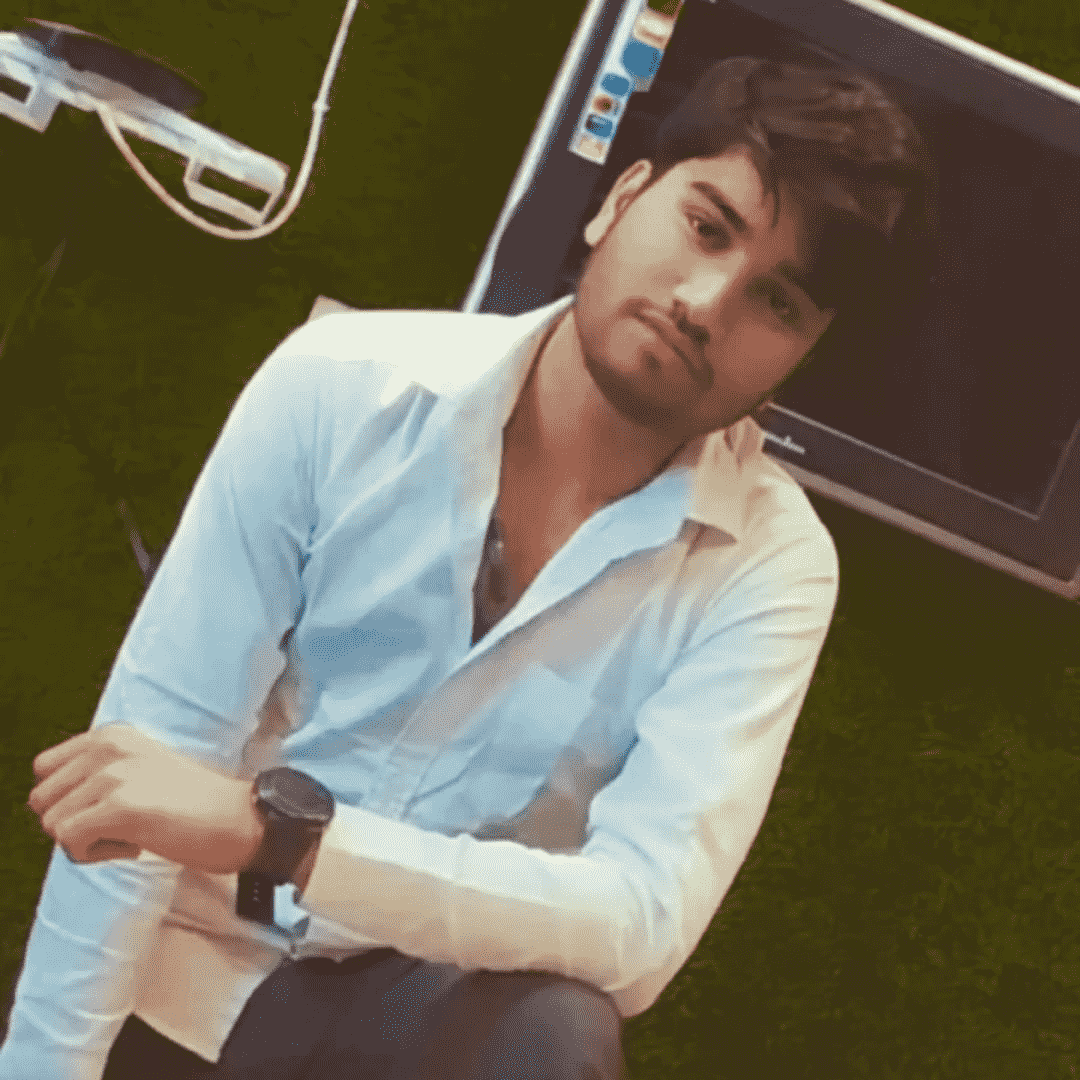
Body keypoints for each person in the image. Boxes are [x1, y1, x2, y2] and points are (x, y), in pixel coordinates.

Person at [2, 55, 937, 1080]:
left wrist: (285, 840)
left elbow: (639, 921)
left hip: (426, 1022)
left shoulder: (770, 564)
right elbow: (139, 775)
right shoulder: (340, 386)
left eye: (780, 302)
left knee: (556, 1033)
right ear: (620, 199)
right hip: (188, 975)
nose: (706, 301)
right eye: (707, 227)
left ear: (802, 355)